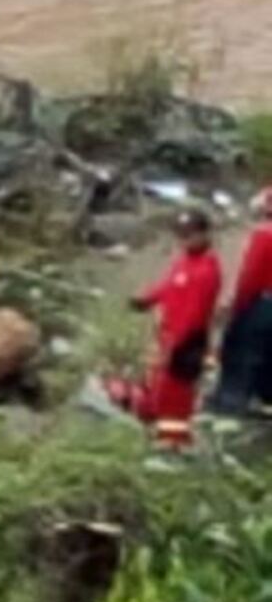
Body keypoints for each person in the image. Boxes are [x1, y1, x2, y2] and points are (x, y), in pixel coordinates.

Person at [104, 209, 222, 448]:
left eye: (189, 235)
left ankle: (174, 444)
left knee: (176, 396)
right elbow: (168, 286)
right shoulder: (185, 262)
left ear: (204, 234)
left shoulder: (207, 271)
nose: (184, 241)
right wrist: (147, 300)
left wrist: (175, 345)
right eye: (181, 235)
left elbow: (195, 316)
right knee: (158, 386)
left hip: (186, 343)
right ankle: (153, 426)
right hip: (168, 338)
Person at [214, 188, 272, 415]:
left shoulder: (265, 236)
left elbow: (251, 278)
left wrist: (236, 306)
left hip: (263, 306)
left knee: (241, 356)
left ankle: (230, 407)